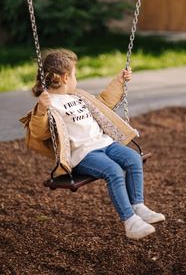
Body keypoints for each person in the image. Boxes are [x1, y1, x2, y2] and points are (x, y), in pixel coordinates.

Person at [20, 48, 165, 240]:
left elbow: (102, 102)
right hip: (83, 154)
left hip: (104, 143)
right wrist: (40, 110)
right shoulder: (49, 103)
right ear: (64, 78)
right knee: (113, 171)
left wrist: (119, 81)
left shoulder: (78, 95)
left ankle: (138, 206)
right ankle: (130, 221)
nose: (76, 79)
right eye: (75, 75)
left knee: (132, 159)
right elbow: (39, 132)